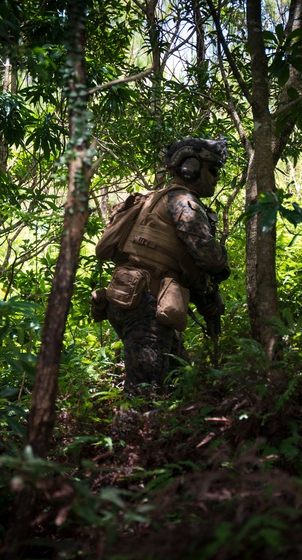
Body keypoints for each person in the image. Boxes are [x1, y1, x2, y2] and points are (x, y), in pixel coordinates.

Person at [100, 137, 231, 394]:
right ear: (191, 168)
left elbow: (175, 260)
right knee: (144, 391)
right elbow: (206, 253)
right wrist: (222, 264)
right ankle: (131, 431)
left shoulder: (155, 198)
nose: (217, 178)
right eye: (213, 170)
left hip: (131, 295)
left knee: (179, 377)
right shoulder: (182, 201)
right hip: (147, 302)